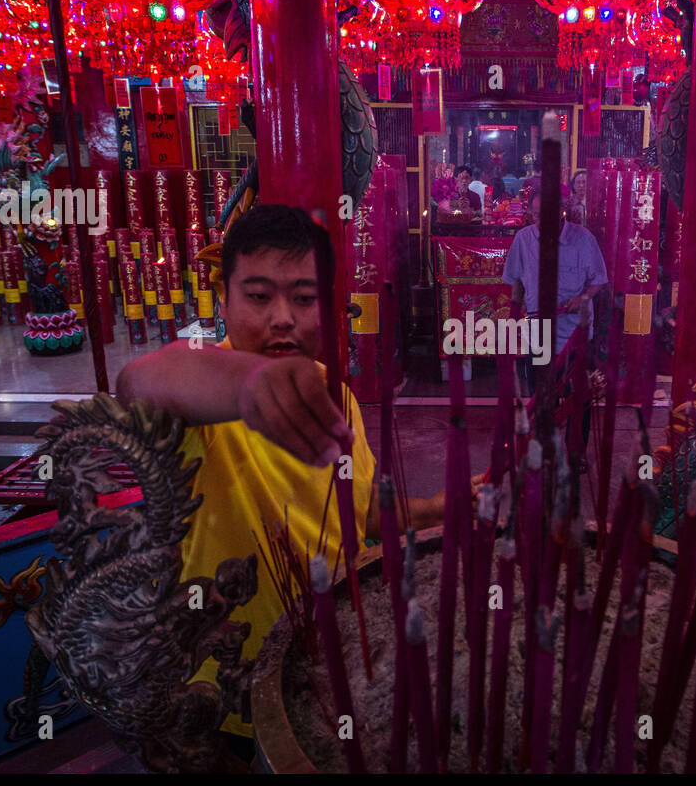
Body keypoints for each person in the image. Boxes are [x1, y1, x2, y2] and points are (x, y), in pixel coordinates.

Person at [117, 204, 449, 741]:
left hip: (321, 672)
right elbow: (140, 381)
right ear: (222, 300)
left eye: (303, 298)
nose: (282, 318)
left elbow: (357, 517)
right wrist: (249, 387)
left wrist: (438, 508)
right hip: (226, 691)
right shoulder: (201, 399)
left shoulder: (336, 395)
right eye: (258, 296)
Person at [501, 199, 607, 395]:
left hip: (574, 333)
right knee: (540, 398)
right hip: (538, 333)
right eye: (537, 215)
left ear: (561, 211)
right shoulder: (524, 239)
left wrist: (582, 298)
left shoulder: (583, 239)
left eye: (546, 215)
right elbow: (516, 280)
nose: (541, 220)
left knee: (576, 399)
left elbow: (599, 279)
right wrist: (514, 312)